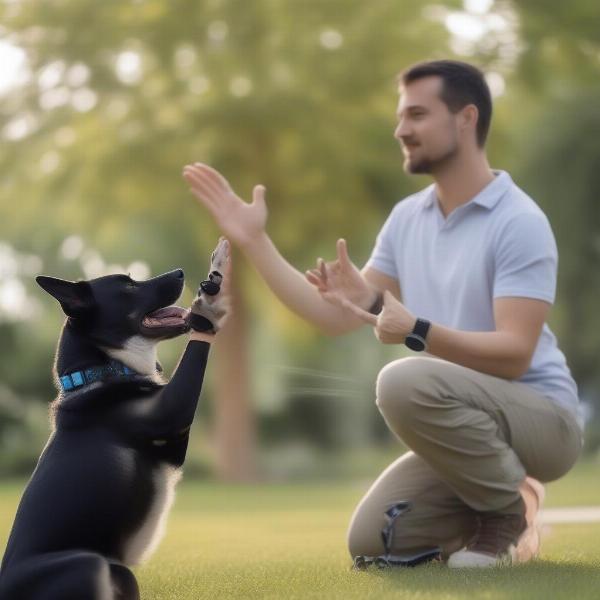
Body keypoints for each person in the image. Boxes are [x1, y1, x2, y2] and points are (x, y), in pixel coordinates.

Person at [182, 59, 583, 568]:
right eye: (400, 116)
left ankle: (506, 516)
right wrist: (254, 240)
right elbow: (333, 317)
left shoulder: (518, 221)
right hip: (468, 421)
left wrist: (416, 330)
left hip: (543, 420)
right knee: (375, 540)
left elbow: (514, 355)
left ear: (466, 118)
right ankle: (504, 499)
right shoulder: (408, 218)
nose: (401, 130)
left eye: (417, 114)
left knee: (401, 381)